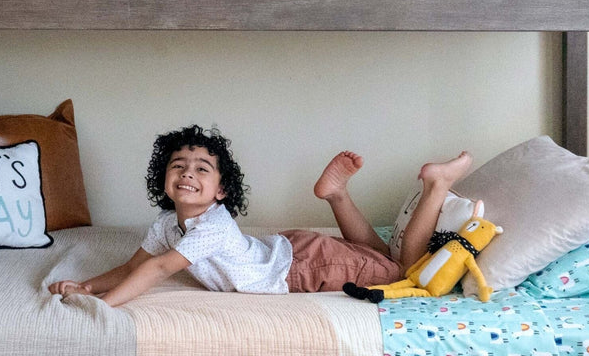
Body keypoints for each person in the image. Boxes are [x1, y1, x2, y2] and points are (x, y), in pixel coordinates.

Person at [48, 125, 473, 307]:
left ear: (221, 191)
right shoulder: (167, 224)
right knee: (370, 254)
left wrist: (105, 304)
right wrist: (86, 284)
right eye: (178, 166)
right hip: (291, 249)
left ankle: (434, 186)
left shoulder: (211, 226)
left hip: (301, 266)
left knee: (401, 269)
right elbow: (134, 266)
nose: (187, 174)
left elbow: (159, 269)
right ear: (164, 180)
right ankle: (337, 195)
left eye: (201, 169)